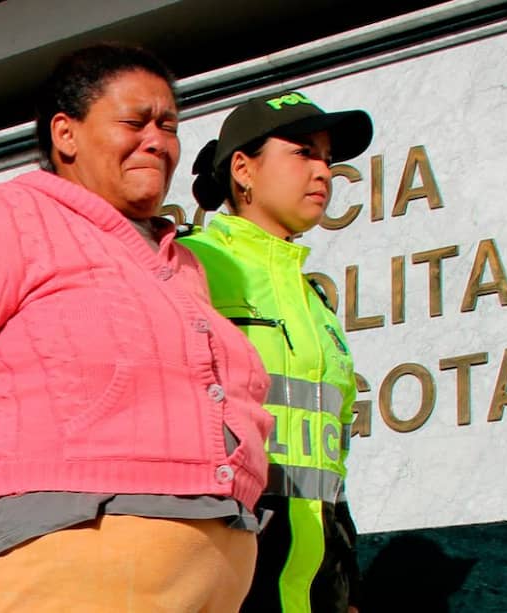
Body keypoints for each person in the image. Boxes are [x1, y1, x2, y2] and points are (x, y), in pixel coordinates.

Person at [0, 43, 274, 613]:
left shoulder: (179, 261)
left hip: (217, 557)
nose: (157, 140)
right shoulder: (8, 219)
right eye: (134, 122)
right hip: (64, 551)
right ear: (66, 134)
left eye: (169, 125)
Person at [180, 90, 374, 613]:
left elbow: (329, 461)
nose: (324, 173)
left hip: (314, 586)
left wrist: (347, 584)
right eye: (304, 152)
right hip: (222, 574)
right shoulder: (188, 266)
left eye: (328, 160)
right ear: (242, 168)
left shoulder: (316, 305)